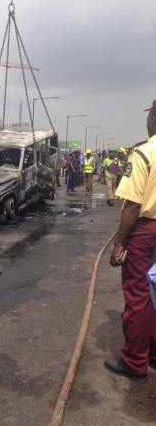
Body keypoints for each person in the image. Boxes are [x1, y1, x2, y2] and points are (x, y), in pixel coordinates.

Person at [105, 100, 156, 383]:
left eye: (149, 115)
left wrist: (119, 243)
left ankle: (136, 361)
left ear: (154, 119)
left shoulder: (144, 153)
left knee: (139, 294)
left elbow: (133, 206)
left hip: (147, 230)